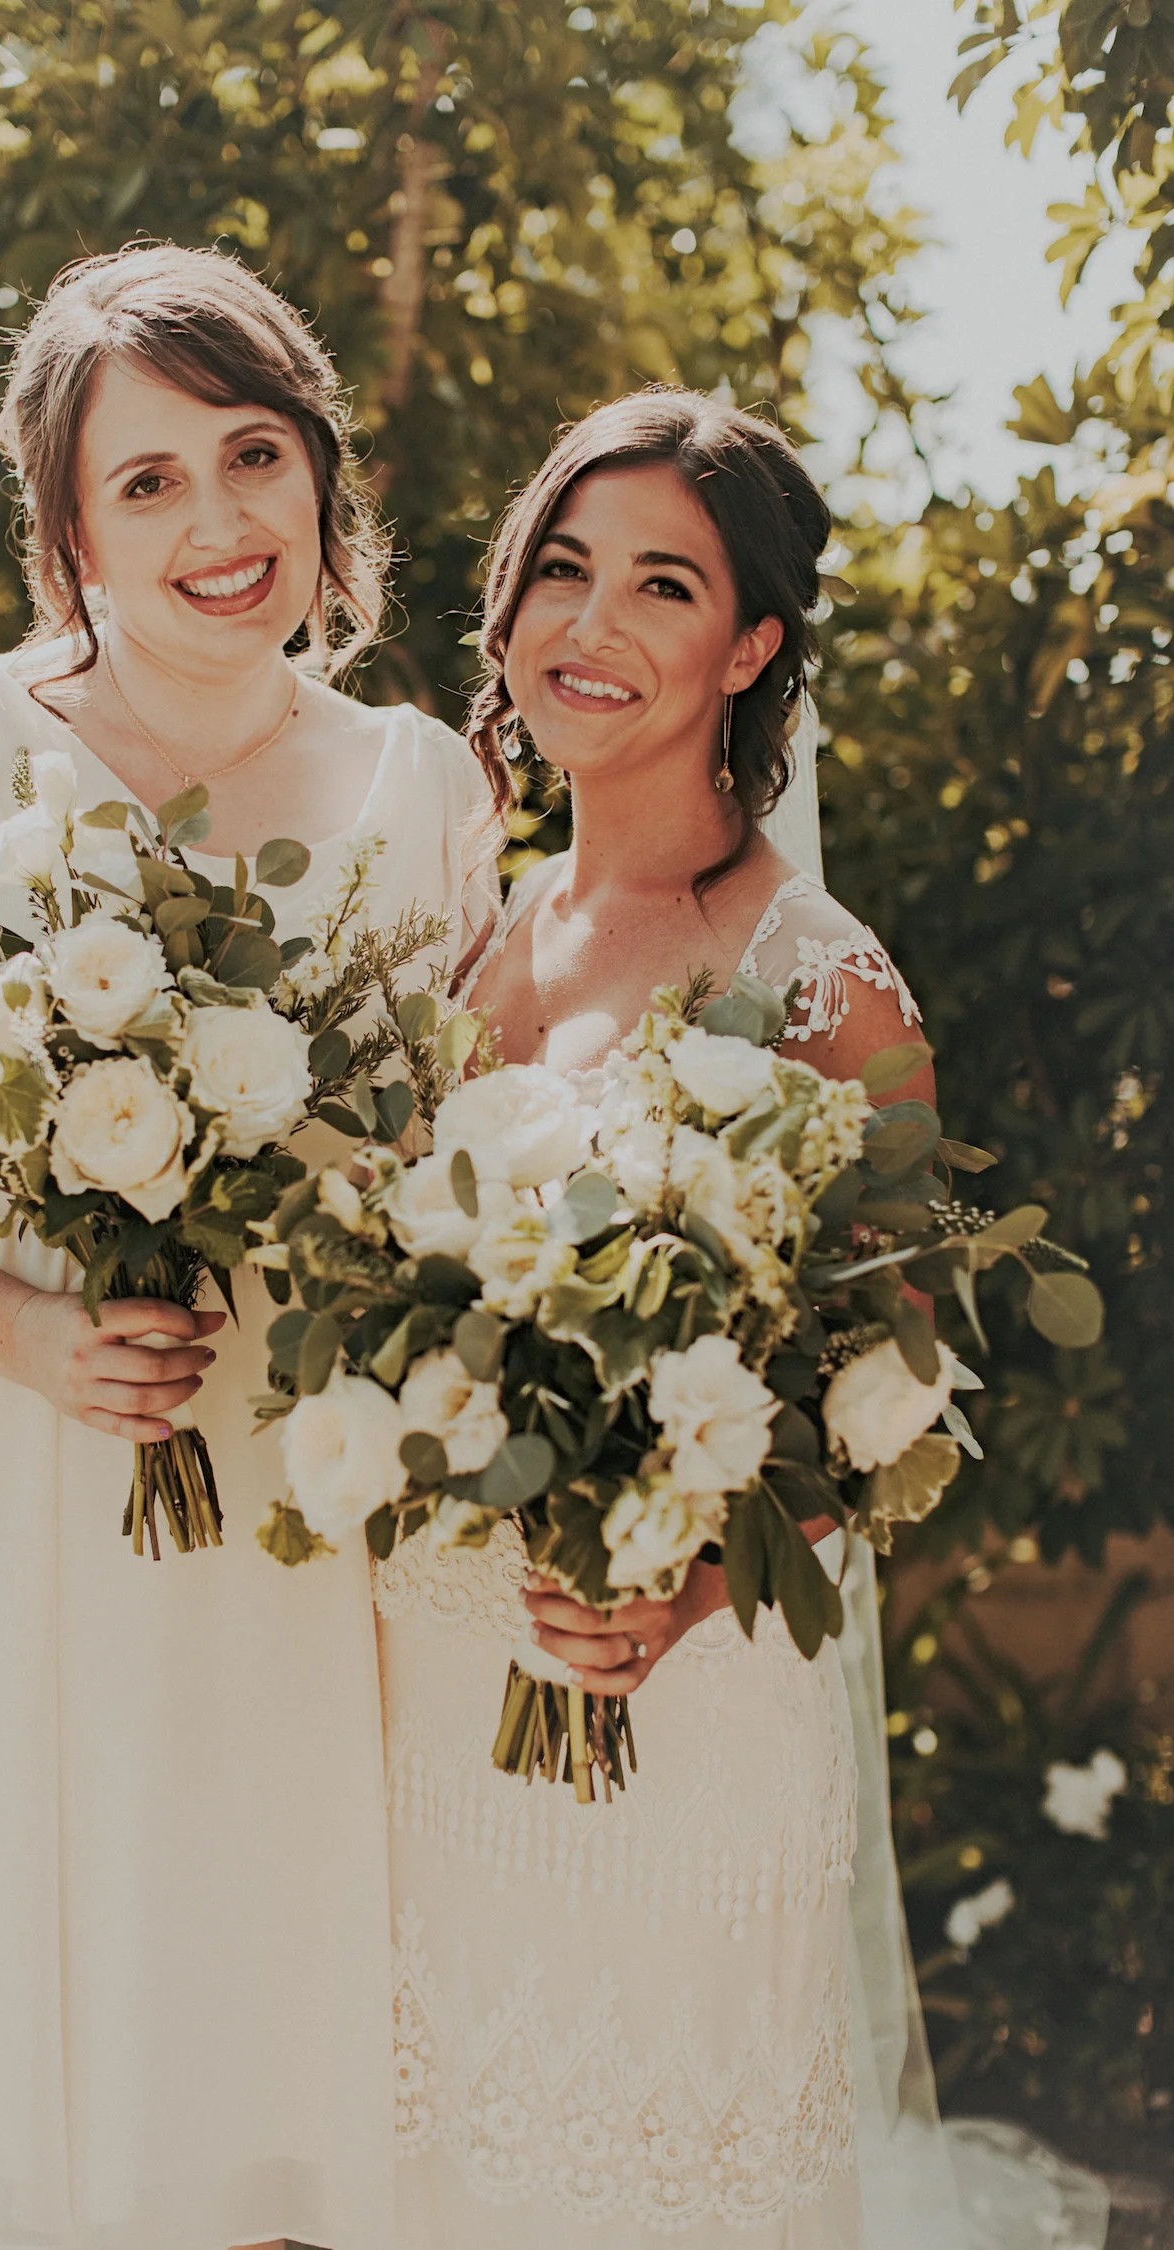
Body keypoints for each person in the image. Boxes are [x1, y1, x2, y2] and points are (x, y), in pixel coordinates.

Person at [0, 244, 493, 2250]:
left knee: (243, 2095)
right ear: (70, 533)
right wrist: (32, 1334)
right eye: (149, 480)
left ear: (321, 471)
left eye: (255, 453)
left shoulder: (426, 793)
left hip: (273, 1537)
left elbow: (445, 1181)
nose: (220, 519)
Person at [373, 389, 1108, 2249]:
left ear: (754, 648)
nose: (590, 624)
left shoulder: (823, 979)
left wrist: (683, 1589)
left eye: (663, 587)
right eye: (563, 568)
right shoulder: (471, 937)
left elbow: (900, 1376)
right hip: (443, 1691)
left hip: (683, 1698)